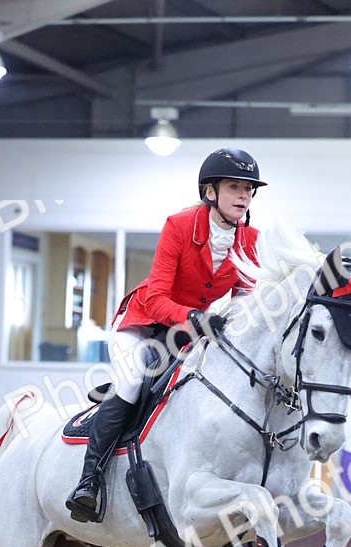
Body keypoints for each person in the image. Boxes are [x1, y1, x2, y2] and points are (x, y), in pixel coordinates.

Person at [66, 146, 266, 522]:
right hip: (142, 324)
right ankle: (87, 483)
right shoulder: (178, 226)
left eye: (249, 189)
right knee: (130, 383)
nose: (244, 195)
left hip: (188, 335)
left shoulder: (249, 239)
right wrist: (195, 318)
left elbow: (245, 295)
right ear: (210, 192)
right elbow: (157, 296)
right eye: (235, 187)